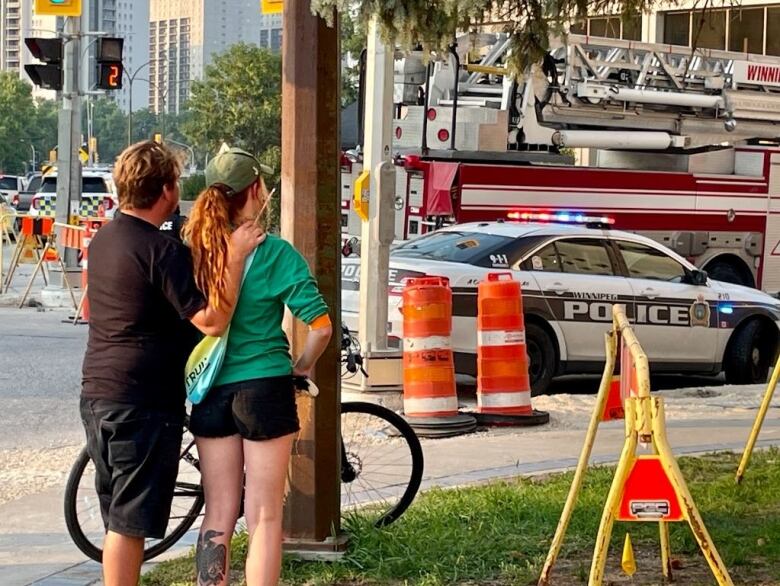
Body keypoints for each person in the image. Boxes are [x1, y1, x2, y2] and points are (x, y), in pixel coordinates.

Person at [80, 141, 264, 586]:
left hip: (98, 393)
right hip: (142, 402)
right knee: (129, 523)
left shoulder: (105, 238)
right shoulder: (159, 250)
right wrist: (235, 258)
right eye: (176, 183)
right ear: (165, 189)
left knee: (118, 517)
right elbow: (213, 321)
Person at [182, 148, 332, 586]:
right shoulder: (274, 254)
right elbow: (320, 327)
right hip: (264, 387)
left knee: (218, 509)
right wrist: (301, 369)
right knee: (264, 514)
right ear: (255, 191)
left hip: (209, 390)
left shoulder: (196, 253)